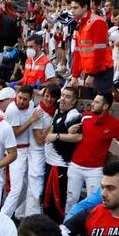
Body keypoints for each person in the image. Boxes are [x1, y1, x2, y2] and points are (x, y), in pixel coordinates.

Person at [65, 92, 119, 208]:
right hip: (75, 165)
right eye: (93, 101)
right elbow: (73, 131)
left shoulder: (114, 124)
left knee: (94, 202)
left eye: (97, 102)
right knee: (71, 199)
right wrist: (71, 130)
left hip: (95, 169)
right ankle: (67, 224)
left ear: (105, 106)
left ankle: (91, 225)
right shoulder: (85, 116)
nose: (92, 104)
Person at [1, 85, 45, 219]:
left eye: (25, 99)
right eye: (19, 98)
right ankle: (4, 216)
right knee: (16, 188)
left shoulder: (31, 104)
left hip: (29, 150)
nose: (21, 101)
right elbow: (13, 133)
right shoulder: (12, 110)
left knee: (27, 186)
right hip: (16, 151)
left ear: (30, 98)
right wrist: (30, 120)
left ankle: (19, 214)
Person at [43, 85, 81, 220]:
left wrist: (57, 136)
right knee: (47, 199)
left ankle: (58, 230)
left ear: (74, 101)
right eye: (63, 95)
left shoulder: (73, 115)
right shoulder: (59, 110)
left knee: (57, 201)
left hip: (60, 165)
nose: (63, 99)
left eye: (68, 97)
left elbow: (78, 137)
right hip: (50, 162)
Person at [70, 0, 112, 97]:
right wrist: (75, 75)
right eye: (72, 8)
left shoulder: (97, 22)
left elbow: (99, 52)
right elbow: (78, 52)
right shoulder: (81, 24)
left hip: (101, 71)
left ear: (85, 7)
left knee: (99, 103)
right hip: (89, 71)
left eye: (75, 8)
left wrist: (92, 74)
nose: (72, 11)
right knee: (89, 103)